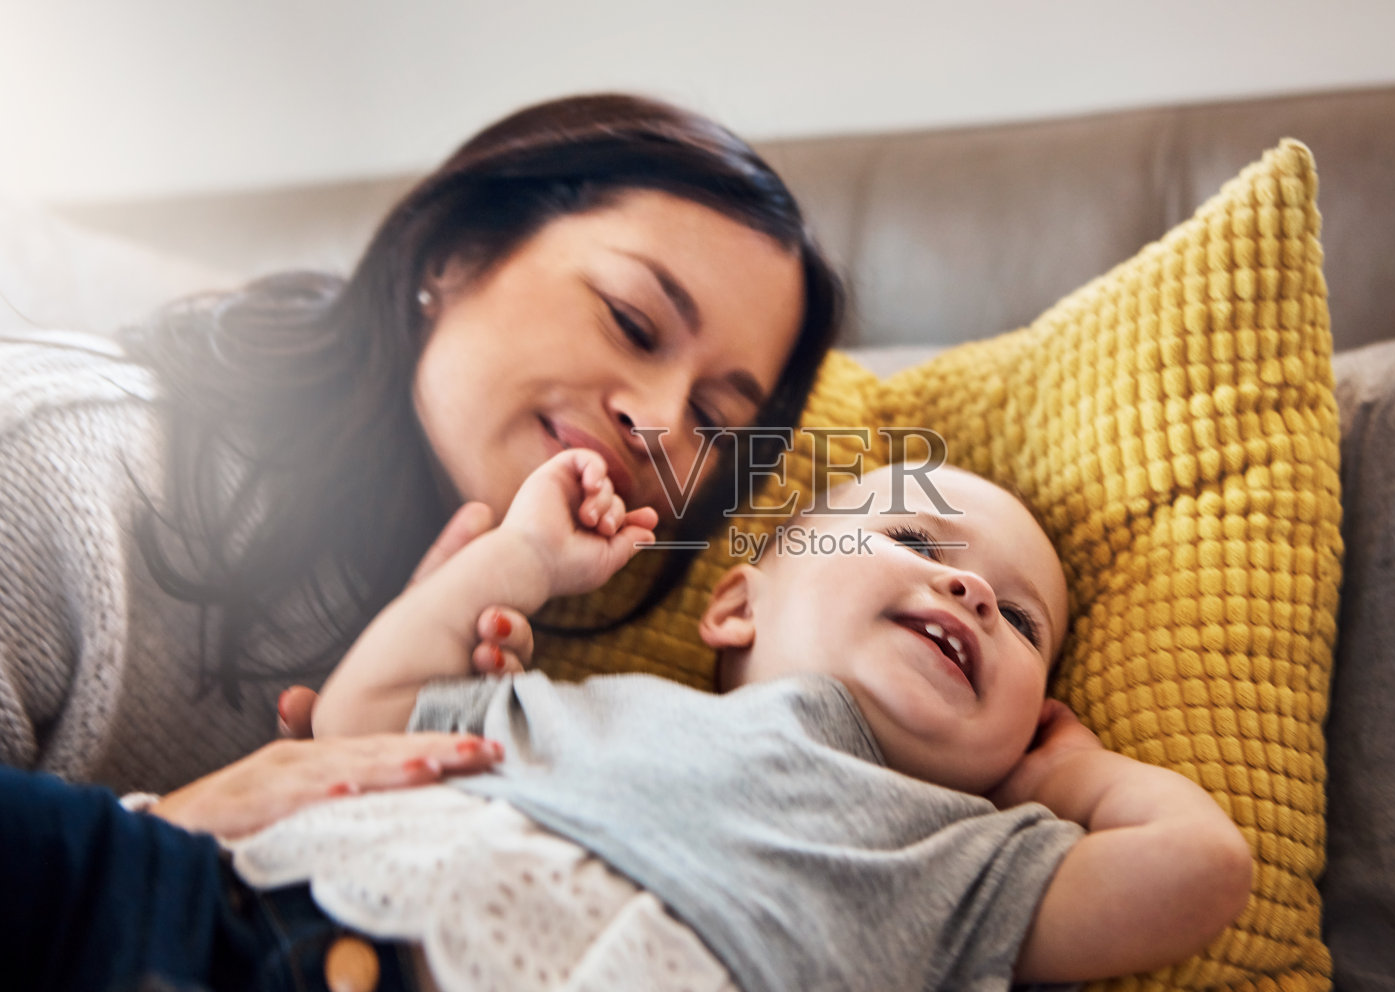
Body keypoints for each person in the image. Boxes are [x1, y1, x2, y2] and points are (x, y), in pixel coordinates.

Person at [10, 458, 1245, 991]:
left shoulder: (965, 858)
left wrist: (1077, 773)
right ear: (735, 604)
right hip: (218, 910)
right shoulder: (588, 707)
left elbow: (1199, 869)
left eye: (1022, 620)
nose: (973, 590)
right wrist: (521, 558)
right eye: (917, 543)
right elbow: (360, 713)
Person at [0, 93, 844, 818]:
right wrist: (185, 834)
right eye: (631, 320)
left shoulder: (476, 652)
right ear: (458, 252)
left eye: (711, 416)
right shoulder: (54, 465)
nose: (656, 418)